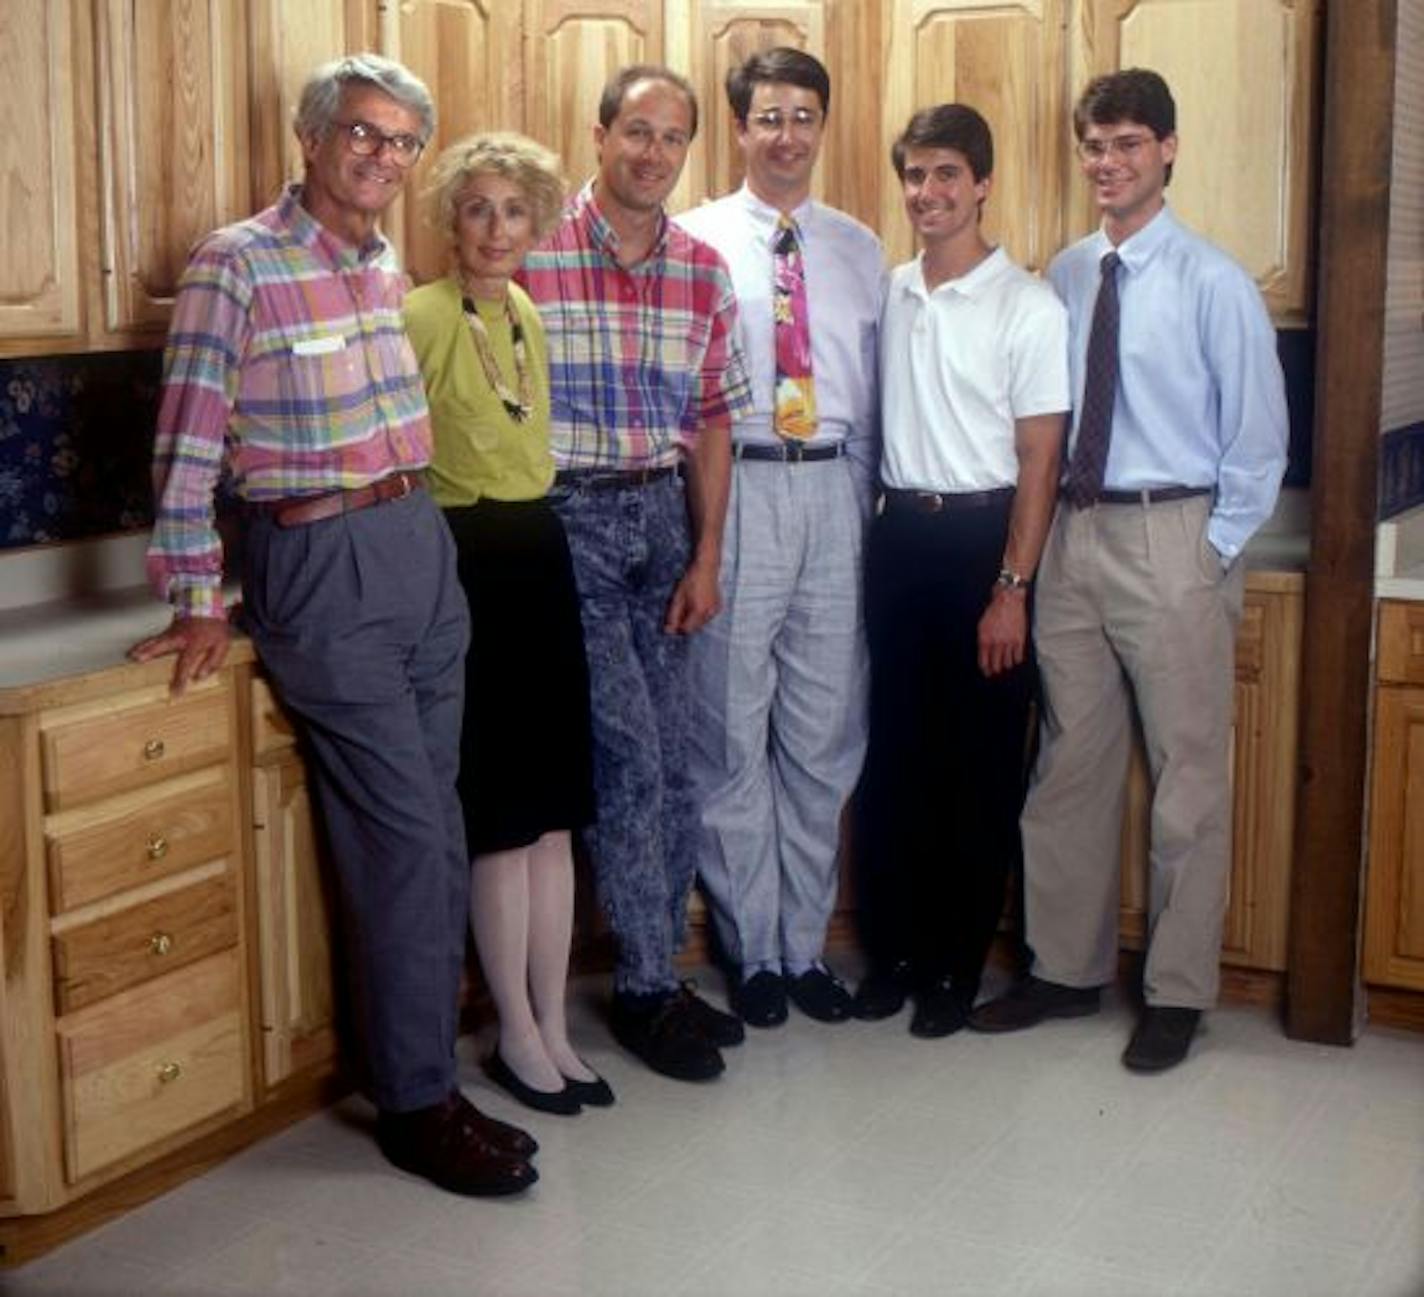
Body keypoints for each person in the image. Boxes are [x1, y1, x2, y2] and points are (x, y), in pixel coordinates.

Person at [128, 54, 537, 1196]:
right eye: (363, 133)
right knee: (406, 837)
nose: (382, 157)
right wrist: (195, 593)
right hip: (318, 560)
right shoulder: (237, 264)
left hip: (417, 548)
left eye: (403, 142)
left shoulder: (375, 263)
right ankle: (418, 1101)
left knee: (435, 830)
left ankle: (420, 1066)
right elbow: (189, 435)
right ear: (311, 140)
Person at [969, 69, 1288, 1071]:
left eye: (1127, 145)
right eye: (1094, 147)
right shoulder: (1062, 275)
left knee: (1186, 780)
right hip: (1071, 534)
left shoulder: (1213, 281)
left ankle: (1177, 990)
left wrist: (1207, 552)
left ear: (1167, 150)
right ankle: (1063, 971)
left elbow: (1256, 441)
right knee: (1068, 761)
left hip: (1170, 534)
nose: (1108, 164)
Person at [520, 66, 756, 1082]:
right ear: (599, 133)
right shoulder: (526, 254)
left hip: (662, 518)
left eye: (672, 138)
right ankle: (645, 985)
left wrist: (705, 555)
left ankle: (657, 968)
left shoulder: (703, 271)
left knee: (673, 757)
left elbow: (712, 422)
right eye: (636, 131)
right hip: (563, 520)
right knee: (624, 757)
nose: (652, 153)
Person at [403, 133, 611, 1118]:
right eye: (476, 208)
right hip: (465, 560)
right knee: (499, 812)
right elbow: (397, 464)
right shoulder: (419, 317)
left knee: (554, 812)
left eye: (513, 210)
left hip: (538, 554)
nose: (495, 228)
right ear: (450, 220)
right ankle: (510, 1034)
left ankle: (553, 1023)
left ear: (536, 223)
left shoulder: (525, 309)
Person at [675, 48, 883, 1029]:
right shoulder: (692, 240)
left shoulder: (860, 247)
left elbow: (877, 394)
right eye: (768, 116)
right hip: (737, 488)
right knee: (724, 731)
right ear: (740, 127)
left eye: (803, 114)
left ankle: (804, 949)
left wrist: (865, 512)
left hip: (832, 490)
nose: (786, 134)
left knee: (819, 735)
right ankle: (752, 950)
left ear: (821, 124)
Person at [852, 104, 1068, 1037]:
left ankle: (953, 965)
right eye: (914, 175)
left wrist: (1011, 590)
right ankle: (892, 955)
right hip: (898, 539)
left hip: (986, 546)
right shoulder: (892, 290)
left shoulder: (1028, 303)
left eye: (946, 175)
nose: (927, 193)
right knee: (893, 755)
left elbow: (1041, 461)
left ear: (982, 184)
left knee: (975, 770)